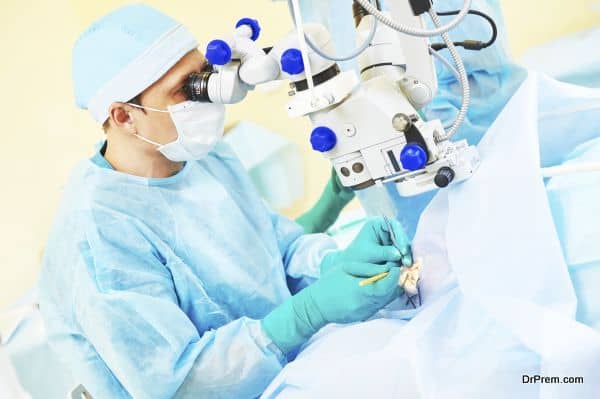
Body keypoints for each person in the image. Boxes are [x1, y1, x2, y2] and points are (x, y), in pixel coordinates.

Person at [38, 4, 412, 399]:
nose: (207, 98)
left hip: (290, 372)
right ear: (125, 116)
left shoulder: (206, 158)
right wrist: (307, 312)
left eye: (204, 76)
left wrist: (336, 264)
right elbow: (179, 384)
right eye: (187, 89)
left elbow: (276, 247)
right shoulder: (98, 235)